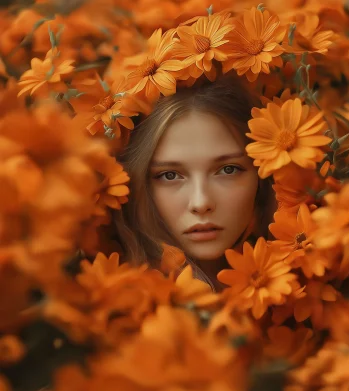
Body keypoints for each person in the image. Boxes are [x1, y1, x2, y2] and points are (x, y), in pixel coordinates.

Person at [114, 76, 275, 291]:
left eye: (228, 170)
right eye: (170, 175)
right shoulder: (119, 304)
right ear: (139, 185)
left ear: (263, 176)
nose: (201, 203)